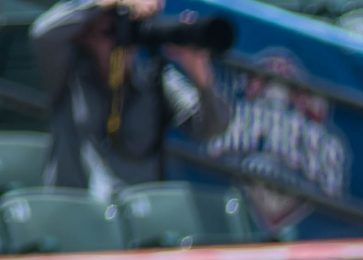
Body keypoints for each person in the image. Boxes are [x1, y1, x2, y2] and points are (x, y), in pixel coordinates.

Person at [32, 0, 230, 200]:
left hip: (137, 212)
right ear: (85, 37)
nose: (121, 45)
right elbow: (43, 32)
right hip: (75, 209)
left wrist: (200, 73)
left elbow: (212, 128)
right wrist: (113, 1)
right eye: (109, 33)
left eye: (127, 33)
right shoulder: (69, 74)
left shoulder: (155, 79)